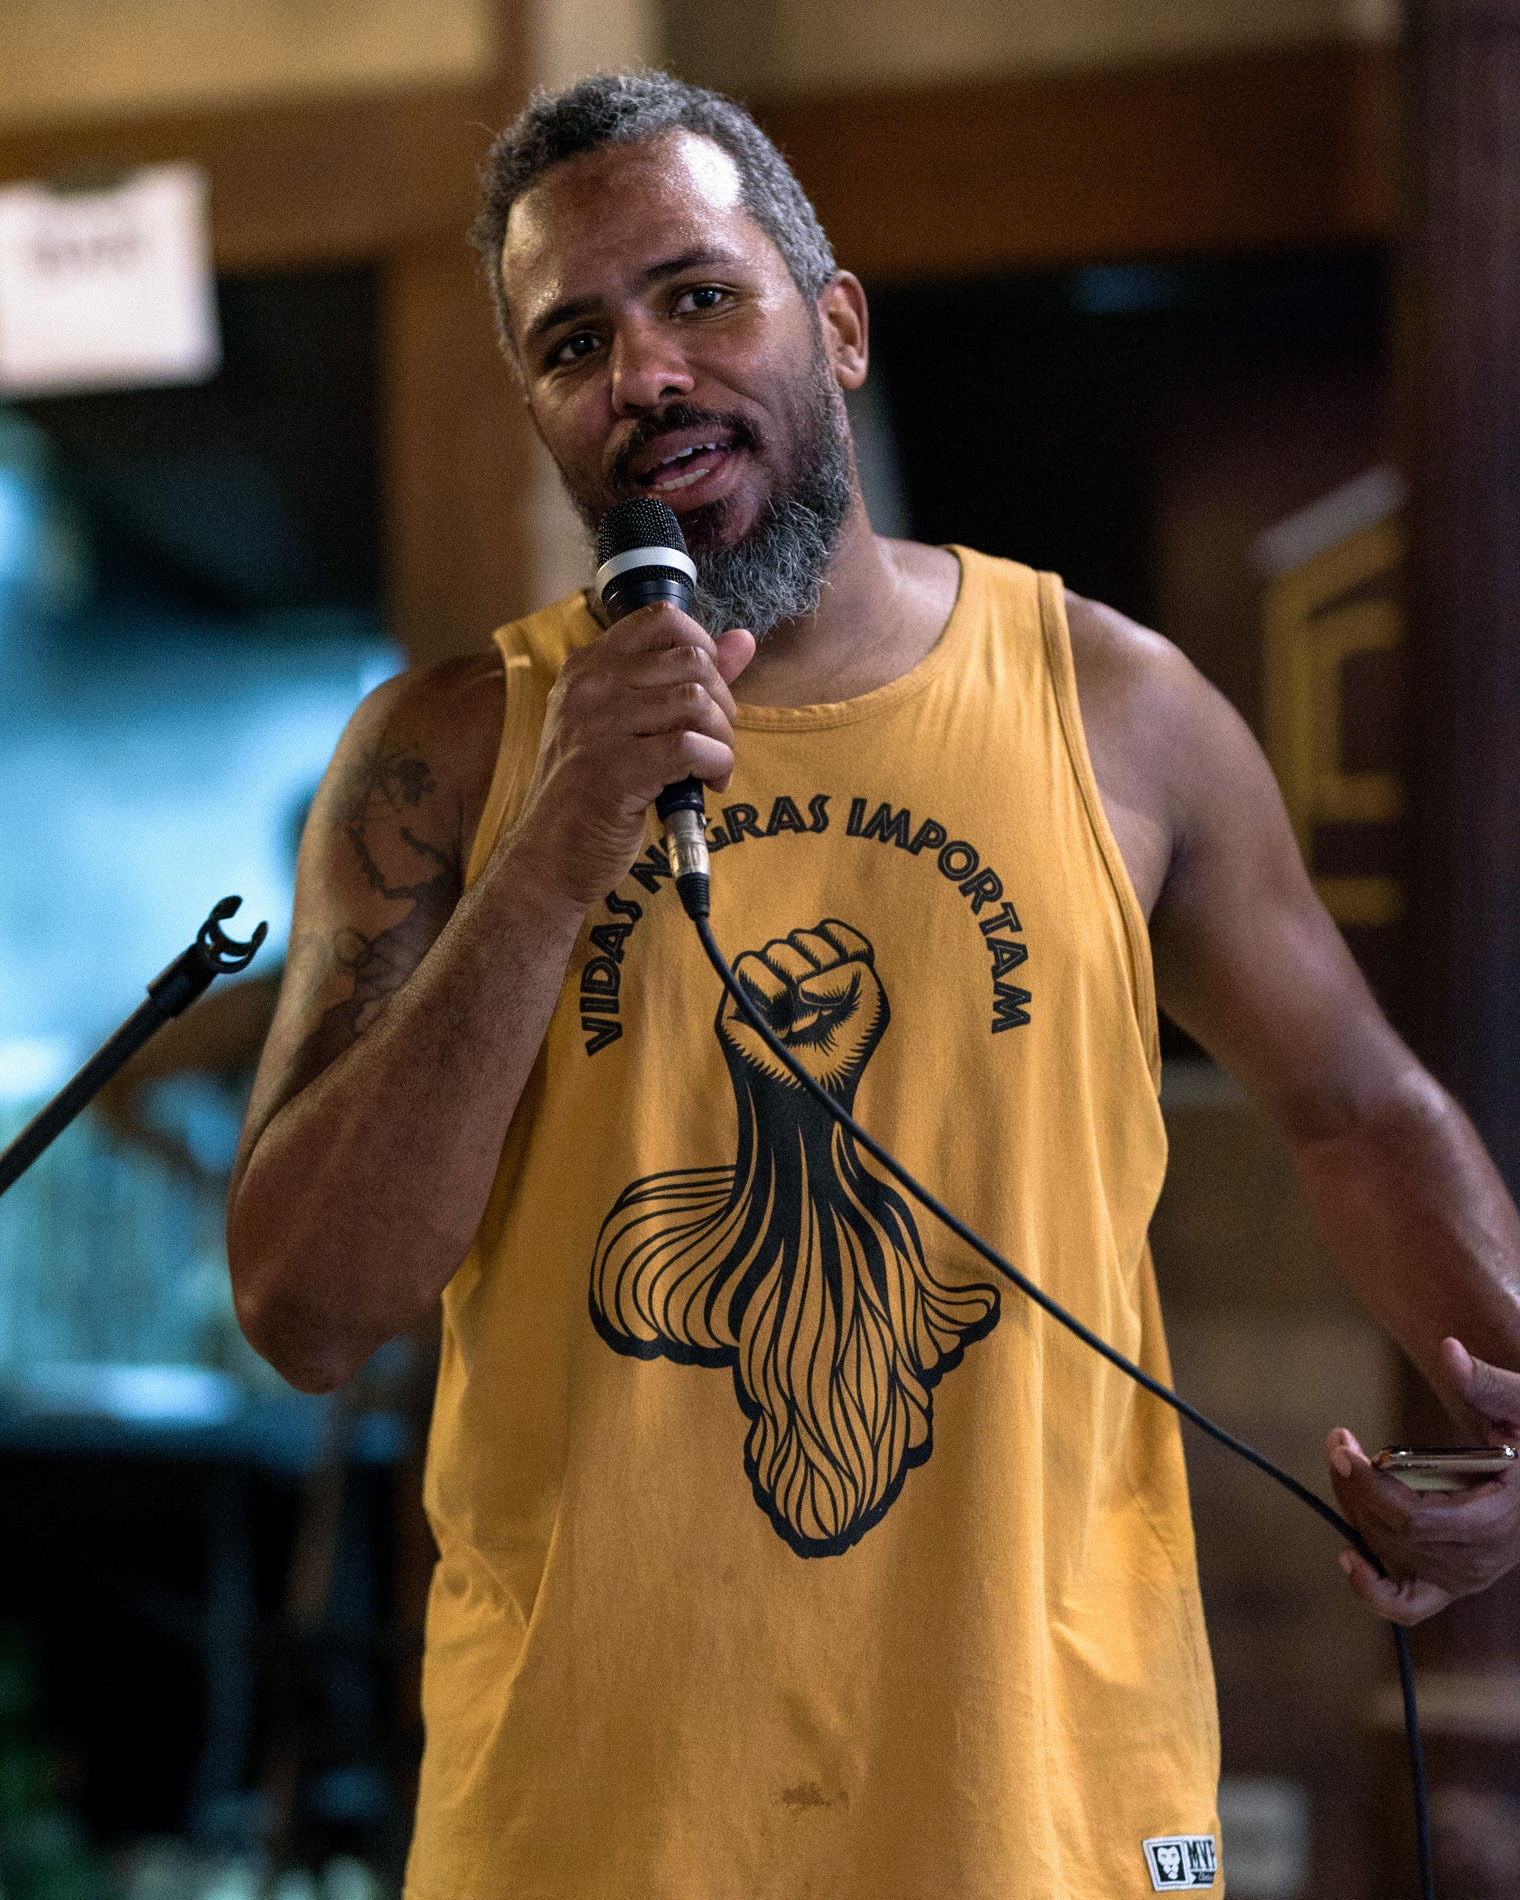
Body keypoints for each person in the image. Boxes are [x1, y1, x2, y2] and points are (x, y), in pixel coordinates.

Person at [226, 72, 1520, 1899]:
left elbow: (1357, 1102)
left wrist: (1509, 1404)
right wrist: (558, 844)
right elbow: (304, 1307)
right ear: (541, 414)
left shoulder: (1114, 707)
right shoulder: (449, 754)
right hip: (588, 1829)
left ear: (835, 326)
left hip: (1038, 1804)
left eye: (698, 295)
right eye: (575, 344)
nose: (645, 373)